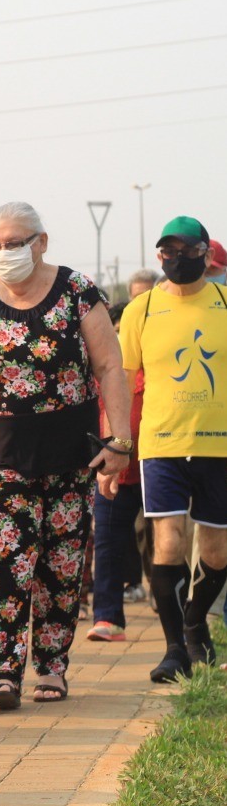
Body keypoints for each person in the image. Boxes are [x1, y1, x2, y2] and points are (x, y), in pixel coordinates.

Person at [0, 201, 129, 709]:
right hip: (3, 457)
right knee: (10, 562)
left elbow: (111, 366)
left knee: (61, 565)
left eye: (15, 243)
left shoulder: (77, 291)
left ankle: (51, 667)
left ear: (41, 242)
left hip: (73, 456)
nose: (5, 254)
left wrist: (120, 440)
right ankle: (3, 672)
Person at [113, 216, 227, 681]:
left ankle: (197, 621)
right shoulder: (140, 310)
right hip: (160, 443)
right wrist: (118, 443)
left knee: (216, 551)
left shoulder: (223, 302)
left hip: (218, 445)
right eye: (167, 252)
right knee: (168, 542)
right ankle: (175, 646)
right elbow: (119, 381)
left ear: (205, 253)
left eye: (186, 251)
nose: (177, 260)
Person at [86, 305, 147, 643]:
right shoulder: (104, 371)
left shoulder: (154, 369)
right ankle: (107, 617)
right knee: (108, 539)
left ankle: (181, 609)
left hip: (158, 464)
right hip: (113, 471)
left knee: (163, 544)